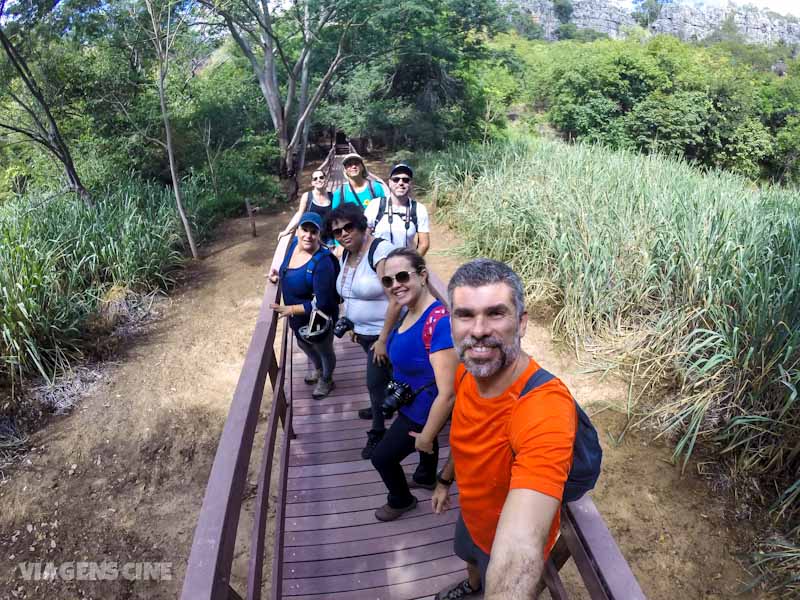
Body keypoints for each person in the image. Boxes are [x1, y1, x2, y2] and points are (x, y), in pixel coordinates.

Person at [432, 259, 577, 600]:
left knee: (489, 566)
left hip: (501, 535)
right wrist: (444, 480)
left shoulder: (544, 405)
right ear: (451, 322)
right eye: (465, 315)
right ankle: (471, 585)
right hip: (470, 511)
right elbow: (464, 436)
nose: (478, 329)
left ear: (522, 323)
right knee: (467, 555)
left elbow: (519, 545)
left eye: (496, 313)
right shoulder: (468, 371)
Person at [370, 248, 458, 521]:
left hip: (422, 411)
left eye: (402, 276)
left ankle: (401, 499)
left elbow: (448, 394)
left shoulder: (439, 323)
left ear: (422, 275)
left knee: (381, 458)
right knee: (415, 454)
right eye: (388, 280)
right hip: (412, 400)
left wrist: (427, 436)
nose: (395, 285)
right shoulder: (410, 311)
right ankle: (424, 476)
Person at [325, 203, 399, 459]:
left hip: (385, 334)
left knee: (375, 382)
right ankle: (385, 408)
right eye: (337, 231)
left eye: (349, 227)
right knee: (388, 381)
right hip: (364, 334)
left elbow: (396, 298)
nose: (344, 233)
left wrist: (383, 339)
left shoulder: (380, 252)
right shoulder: (347, 253)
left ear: (361, 225)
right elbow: (349, 293)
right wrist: (351, 323)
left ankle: (379, 432)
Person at [269, 213, 339, 399]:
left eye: (314, 231)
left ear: (319, 234)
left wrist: (290, 309)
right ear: (297, 230)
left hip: (318, 319)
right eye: (305, 230)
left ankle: (327, 378)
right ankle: (317, 370)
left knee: (324, 350)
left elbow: (324, 302)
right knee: (303, 343)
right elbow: (289, 270)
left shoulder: (322, 262)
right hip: (298, 320)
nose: (308, 235)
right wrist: (279, 274)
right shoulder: (293, 247)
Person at [364, 163, 430, 255]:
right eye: (396, 179)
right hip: (378, 264)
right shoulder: (375, 205)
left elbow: (424, 244)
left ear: (411, 183)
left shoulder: (419, 209)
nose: (400, 183)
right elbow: (364, 237)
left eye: (406, 180)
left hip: (405, 264)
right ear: (389, 182)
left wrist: (412, 263)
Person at [277, 169, 333, 246]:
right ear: (312, 183)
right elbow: (300, 214)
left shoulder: (331, 196)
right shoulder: (307, 196)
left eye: (321, 177)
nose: (318, 180)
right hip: (312, 237)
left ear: (325, 179)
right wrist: (287, 230)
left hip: (328, 237)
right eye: (315, 179)